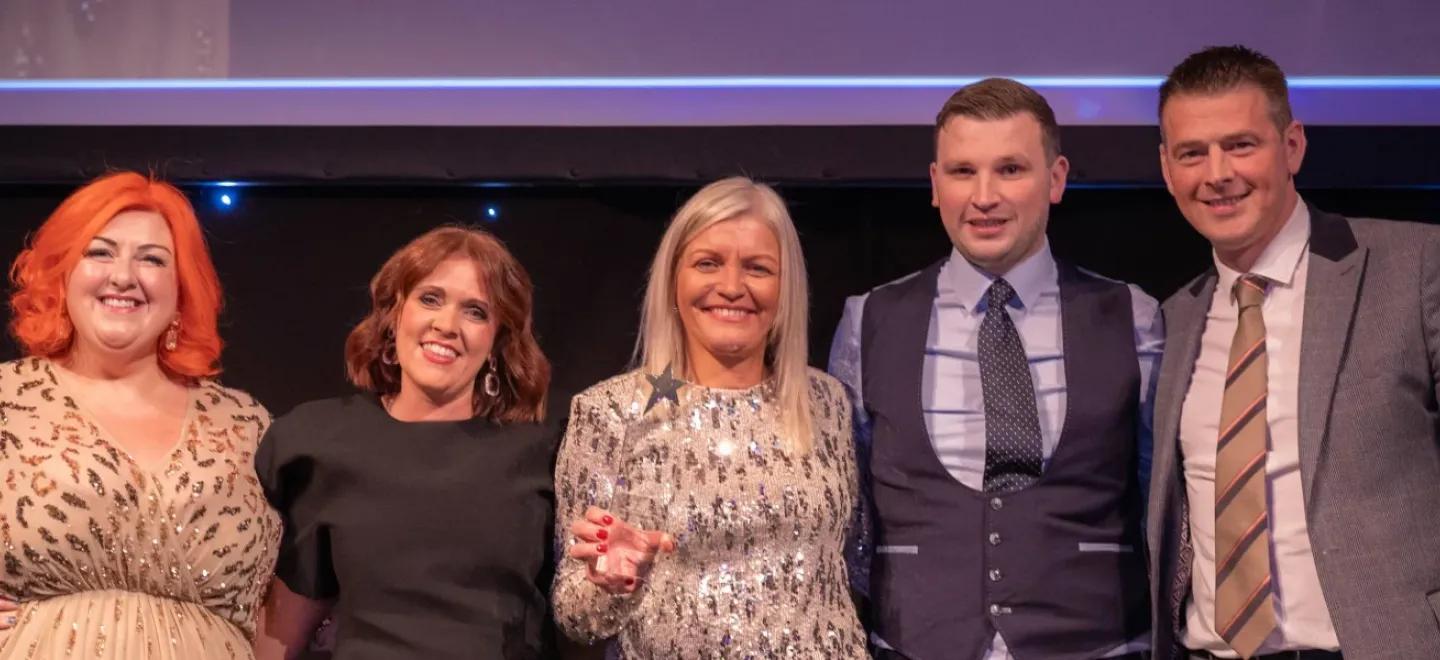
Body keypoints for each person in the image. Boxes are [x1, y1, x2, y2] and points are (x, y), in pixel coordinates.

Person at [829, 78, 1161, 659]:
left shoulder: (1131, 316)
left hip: (1099, 646)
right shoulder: (869, 320)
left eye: (1010, 169)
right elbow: (846, 510)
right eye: (963, 172)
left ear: (1056, 178)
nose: (984, 196)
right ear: (936, 185)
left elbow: (1164, 500)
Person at [1148, 45, 1440, 660]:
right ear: (1167, 169)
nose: (1217, 174)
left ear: (1292, 146)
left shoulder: (1415, 268)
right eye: (1192, 153)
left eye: (1241, 145)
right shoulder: (1170, 320)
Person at [551, 177, 867, 658]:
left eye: (757, 268)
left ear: (785, 288)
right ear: (673, 280)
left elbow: (854, 563)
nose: (732, 287)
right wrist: (613, 581)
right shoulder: (609, 413)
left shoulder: (826, 402)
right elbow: (575, 615)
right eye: (708, 263)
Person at [0, 171, 279, 658]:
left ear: (182, 289)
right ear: (62, 274)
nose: (123, 276)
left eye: (152, 259)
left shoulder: (244, 425)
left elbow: (295, 594)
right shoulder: (8, 400)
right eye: (99, 253)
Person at [252, 226, 555, 660]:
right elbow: (286, 623)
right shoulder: (321, 441)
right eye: (430, 299)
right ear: (394, 315)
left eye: (475, 312)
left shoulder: (541, 458)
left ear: (497, 341)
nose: (446, 325)